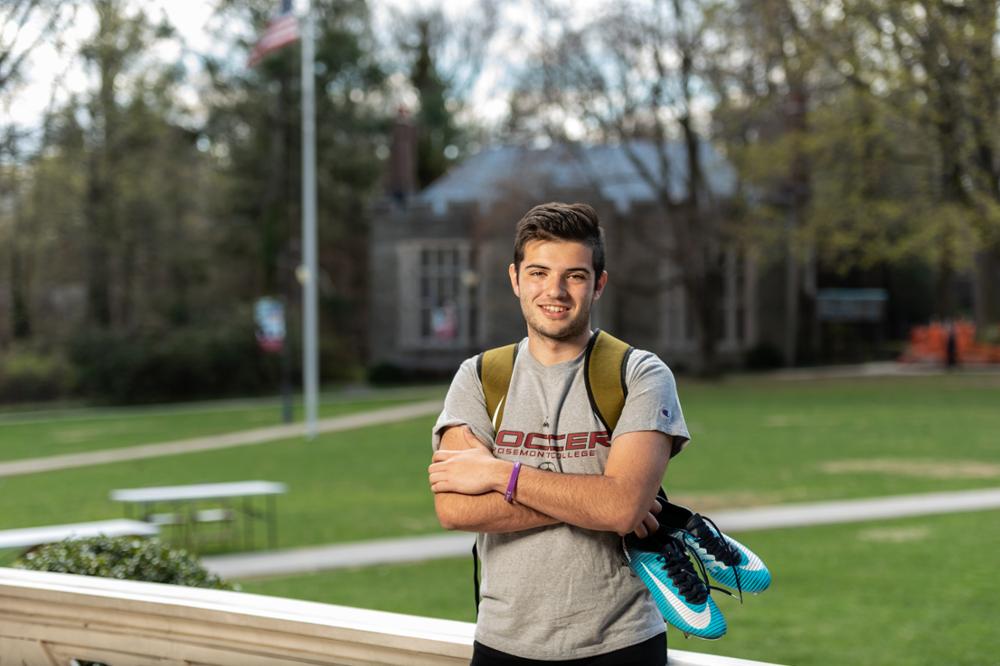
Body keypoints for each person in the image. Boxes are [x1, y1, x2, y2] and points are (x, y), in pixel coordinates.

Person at [427, 202, 691, 664]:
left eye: (574, 275)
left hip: (621, 643)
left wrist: (499, 474)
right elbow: (453, 508)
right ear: (514, 279)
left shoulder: (641, 374)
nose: (555, 291)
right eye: (538, 273)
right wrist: (600, 501)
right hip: (503, 642)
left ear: (598, 284)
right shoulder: (480, 377)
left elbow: (623, 508)